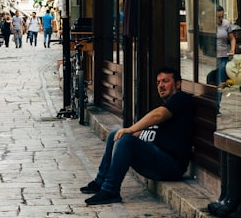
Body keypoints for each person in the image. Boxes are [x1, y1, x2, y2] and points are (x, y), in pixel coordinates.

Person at [81, 66, 195, 205]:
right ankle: (100, 182)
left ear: (178, 84)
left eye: (165, 81)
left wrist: (129, 130)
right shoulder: (169, 104)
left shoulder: (181, 99)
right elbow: (152, 129)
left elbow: (158, 114)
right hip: (157, 158)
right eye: (158, 82)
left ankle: (110, 190)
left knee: (126, 139)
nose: (161, 86)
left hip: (171, 165)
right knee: (115, 134)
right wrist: (127, 132)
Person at [215, 5, 237, 86]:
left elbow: (232, 39)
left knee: (221, 77)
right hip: (213, 56)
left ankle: (220, 95)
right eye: (218, 17)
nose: (220, 19)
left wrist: (232, 49)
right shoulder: (209, 25)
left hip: (223, 55)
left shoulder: (226, 24)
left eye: (222, 16)